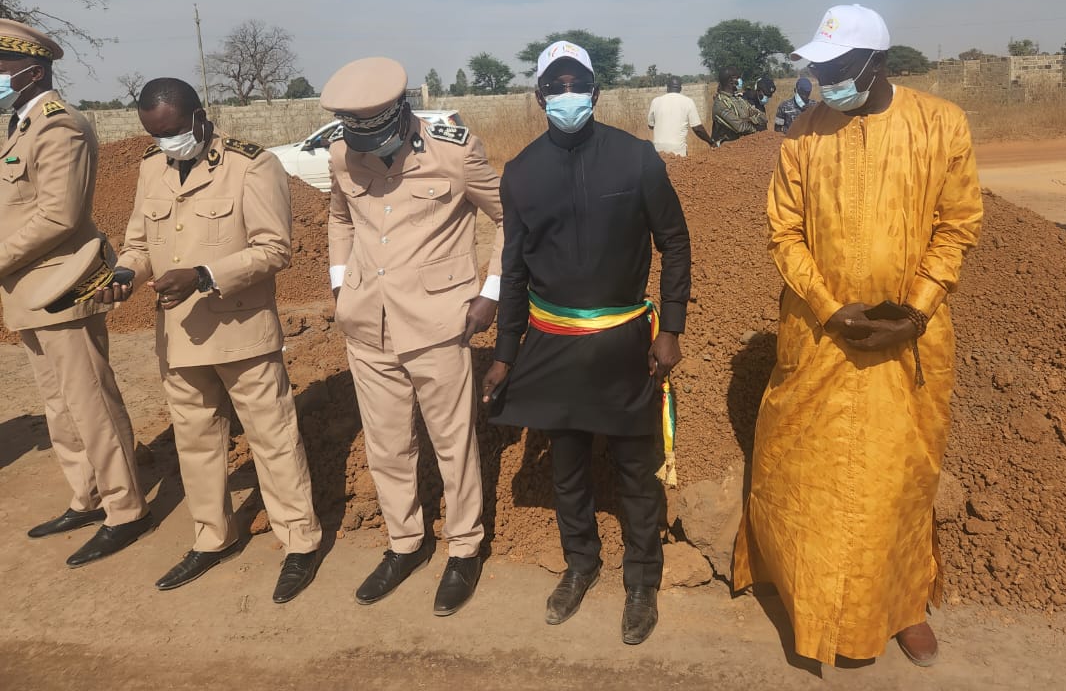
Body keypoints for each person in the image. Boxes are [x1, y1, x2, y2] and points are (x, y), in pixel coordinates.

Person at [733, 4, 982, 669]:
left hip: (909, 347)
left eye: (838, 68)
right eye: (819, 67)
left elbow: (958, 224)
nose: (824, 78)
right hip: (820, 340)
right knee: (809, 478)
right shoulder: (804, 134)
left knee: (898, 480)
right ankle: (809, 603)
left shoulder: (940, 124)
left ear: (878, 64)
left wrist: (920, 308)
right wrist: (826, 305)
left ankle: (903, 609)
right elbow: (783, 232)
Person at [481, 41, 690, 646]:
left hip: (625, 344)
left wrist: (670, 329)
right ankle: (580, 566)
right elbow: (515, 271)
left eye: (578, 85)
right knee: (567, 469)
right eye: (555, 86)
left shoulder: (638, 160)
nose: (566, 96)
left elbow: (674, 243)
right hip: (551, 343)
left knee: (635, 470)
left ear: (596, 94)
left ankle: (642, 582)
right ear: (539, 96)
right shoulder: (520, 173)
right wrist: (504, 355)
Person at [101, 78, 322, 601]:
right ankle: (212, 537)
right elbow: (137, 243)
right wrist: (125, 276)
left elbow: (274, 249)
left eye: (174, 131)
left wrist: (202, 274)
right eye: (156, 136)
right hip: (178, 334)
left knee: (272, 438)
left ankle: (300, 542)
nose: (166, 143)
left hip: (241, 330)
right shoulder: (150, 168)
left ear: (201, 117)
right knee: (195, 441)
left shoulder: (253, 165)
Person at [323, 57, 503, 614]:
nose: (366, 147)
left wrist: (492, 291)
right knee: (386, 445)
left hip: (438, 322)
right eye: (357, 135)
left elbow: (509, 217)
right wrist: (338, 284)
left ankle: (464, 547)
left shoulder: (454, 150)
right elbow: (340, 216)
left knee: (453, 442)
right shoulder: (340, 153)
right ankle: (404, 543)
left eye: (375, 133)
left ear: (402, 114)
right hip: (366, 324)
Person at [0, 19, 151, 567]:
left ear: (30, 70)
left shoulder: (59, 126)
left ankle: (125, 508)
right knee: (58, 403)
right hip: (28, 287)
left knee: (91, 403)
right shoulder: (20, 125)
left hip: (64, 280)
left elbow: (59, 214)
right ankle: (86, 495)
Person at [646, 77, 712, 156]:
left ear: (667, 88)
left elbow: (651, 126)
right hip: (678, 150)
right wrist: (710, 141)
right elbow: (697, 128)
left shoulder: (655, 101)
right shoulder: (688, 101)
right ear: (680, 89)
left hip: (658, 149)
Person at [711, 67, 767, 145]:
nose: (739, 80)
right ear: (731, 80)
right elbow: (740, 127)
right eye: (737, 78)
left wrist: (748, 120)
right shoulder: (720, 104)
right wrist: (757, 126)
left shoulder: (740, 100)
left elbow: (763, 117)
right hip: (728, 150)